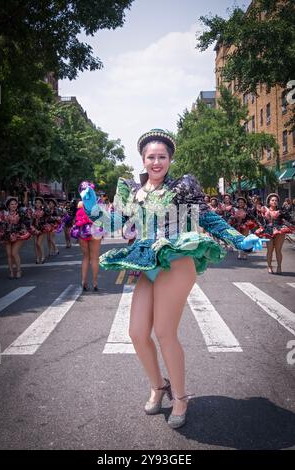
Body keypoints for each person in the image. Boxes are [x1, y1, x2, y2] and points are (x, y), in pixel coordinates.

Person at [80, 129, 266, 429]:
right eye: (151, 157)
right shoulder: (131, 190)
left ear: (170, 159)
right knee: (137, 333)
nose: (156, 162)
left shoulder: (183, 187)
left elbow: (207, 217)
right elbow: (115, 222)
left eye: (162, 157)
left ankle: (180, 397)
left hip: (177, 259)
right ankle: (158, 386)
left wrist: (237, 238)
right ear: (143, 159)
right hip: (145, 261)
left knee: (165, 332)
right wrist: (93, 209)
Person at [254, 193, 295, 274]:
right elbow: (258, 219)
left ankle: (279, 267)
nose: (274, 201)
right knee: (269, 250)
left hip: (279, 231)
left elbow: (290, 219)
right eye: (272, 200)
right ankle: (269, 266)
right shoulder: (264, 210)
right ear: (269, 202)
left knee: (278, 250)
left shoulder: (281, 211)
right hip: (268, 231)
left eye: (276, 200)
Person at [71, 199, 103, 291]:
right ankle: (95, 282)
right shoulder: (97, 204)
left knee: (85, 257)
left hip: (83, 232)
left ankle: (84, 281)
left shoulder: (80, 204)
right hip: (95, 232)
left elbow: (76, 219)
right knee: (95, 258)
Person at [0, 196, 31, 278]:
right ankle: (11, 272)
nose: (14, 206)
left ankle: (19, 271)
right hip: (7, 235)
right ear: (8, 205)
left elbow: (27, 222)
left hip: (19, 235)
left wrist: (23, 228)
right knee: (9, 255)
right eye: (12, 204)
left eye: (15, 204)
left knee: (14, 253)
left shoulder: (21, 213)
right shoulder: (3, 214)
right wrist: (2, 228)